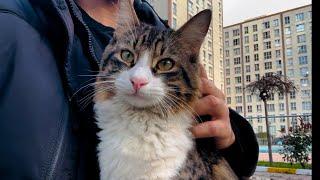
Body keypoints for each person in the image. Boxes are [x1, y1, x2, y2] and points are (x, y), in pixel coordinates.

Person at [0, 0, 258, 179]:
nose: (139, 78)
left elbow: (241, 154)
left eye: (164, 63)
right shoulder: (13, 22)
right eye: (127, 57)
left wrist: (230, 141)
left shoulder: (162, 29)